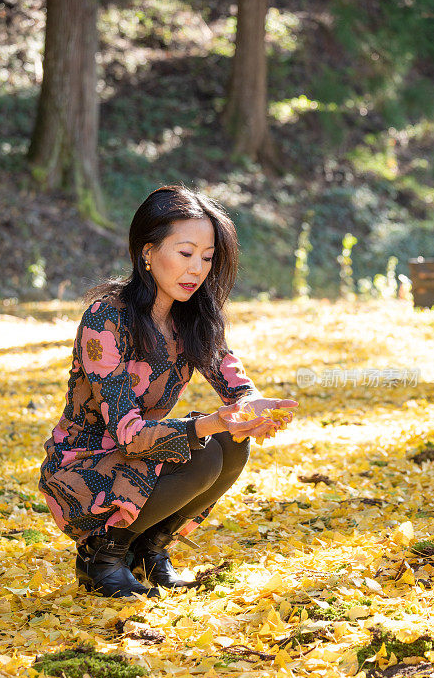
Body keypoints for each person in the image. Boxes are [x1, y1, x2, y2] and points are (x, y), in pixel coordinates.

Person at [38, 184, 298, 599]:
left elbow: (232, 379)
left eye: (208, 258)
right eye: (185, 253)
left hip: (138, 461)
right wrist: (210, 423)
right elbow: (129, 434)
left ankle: (147, 551)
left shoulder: (192, 316)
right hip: (85, 467)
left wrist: (250, 406)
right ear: (147, 252)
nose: (197, 269)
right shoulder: (106, 319)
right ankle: (101, 557)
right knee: (208, 447)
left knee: (232, 443)